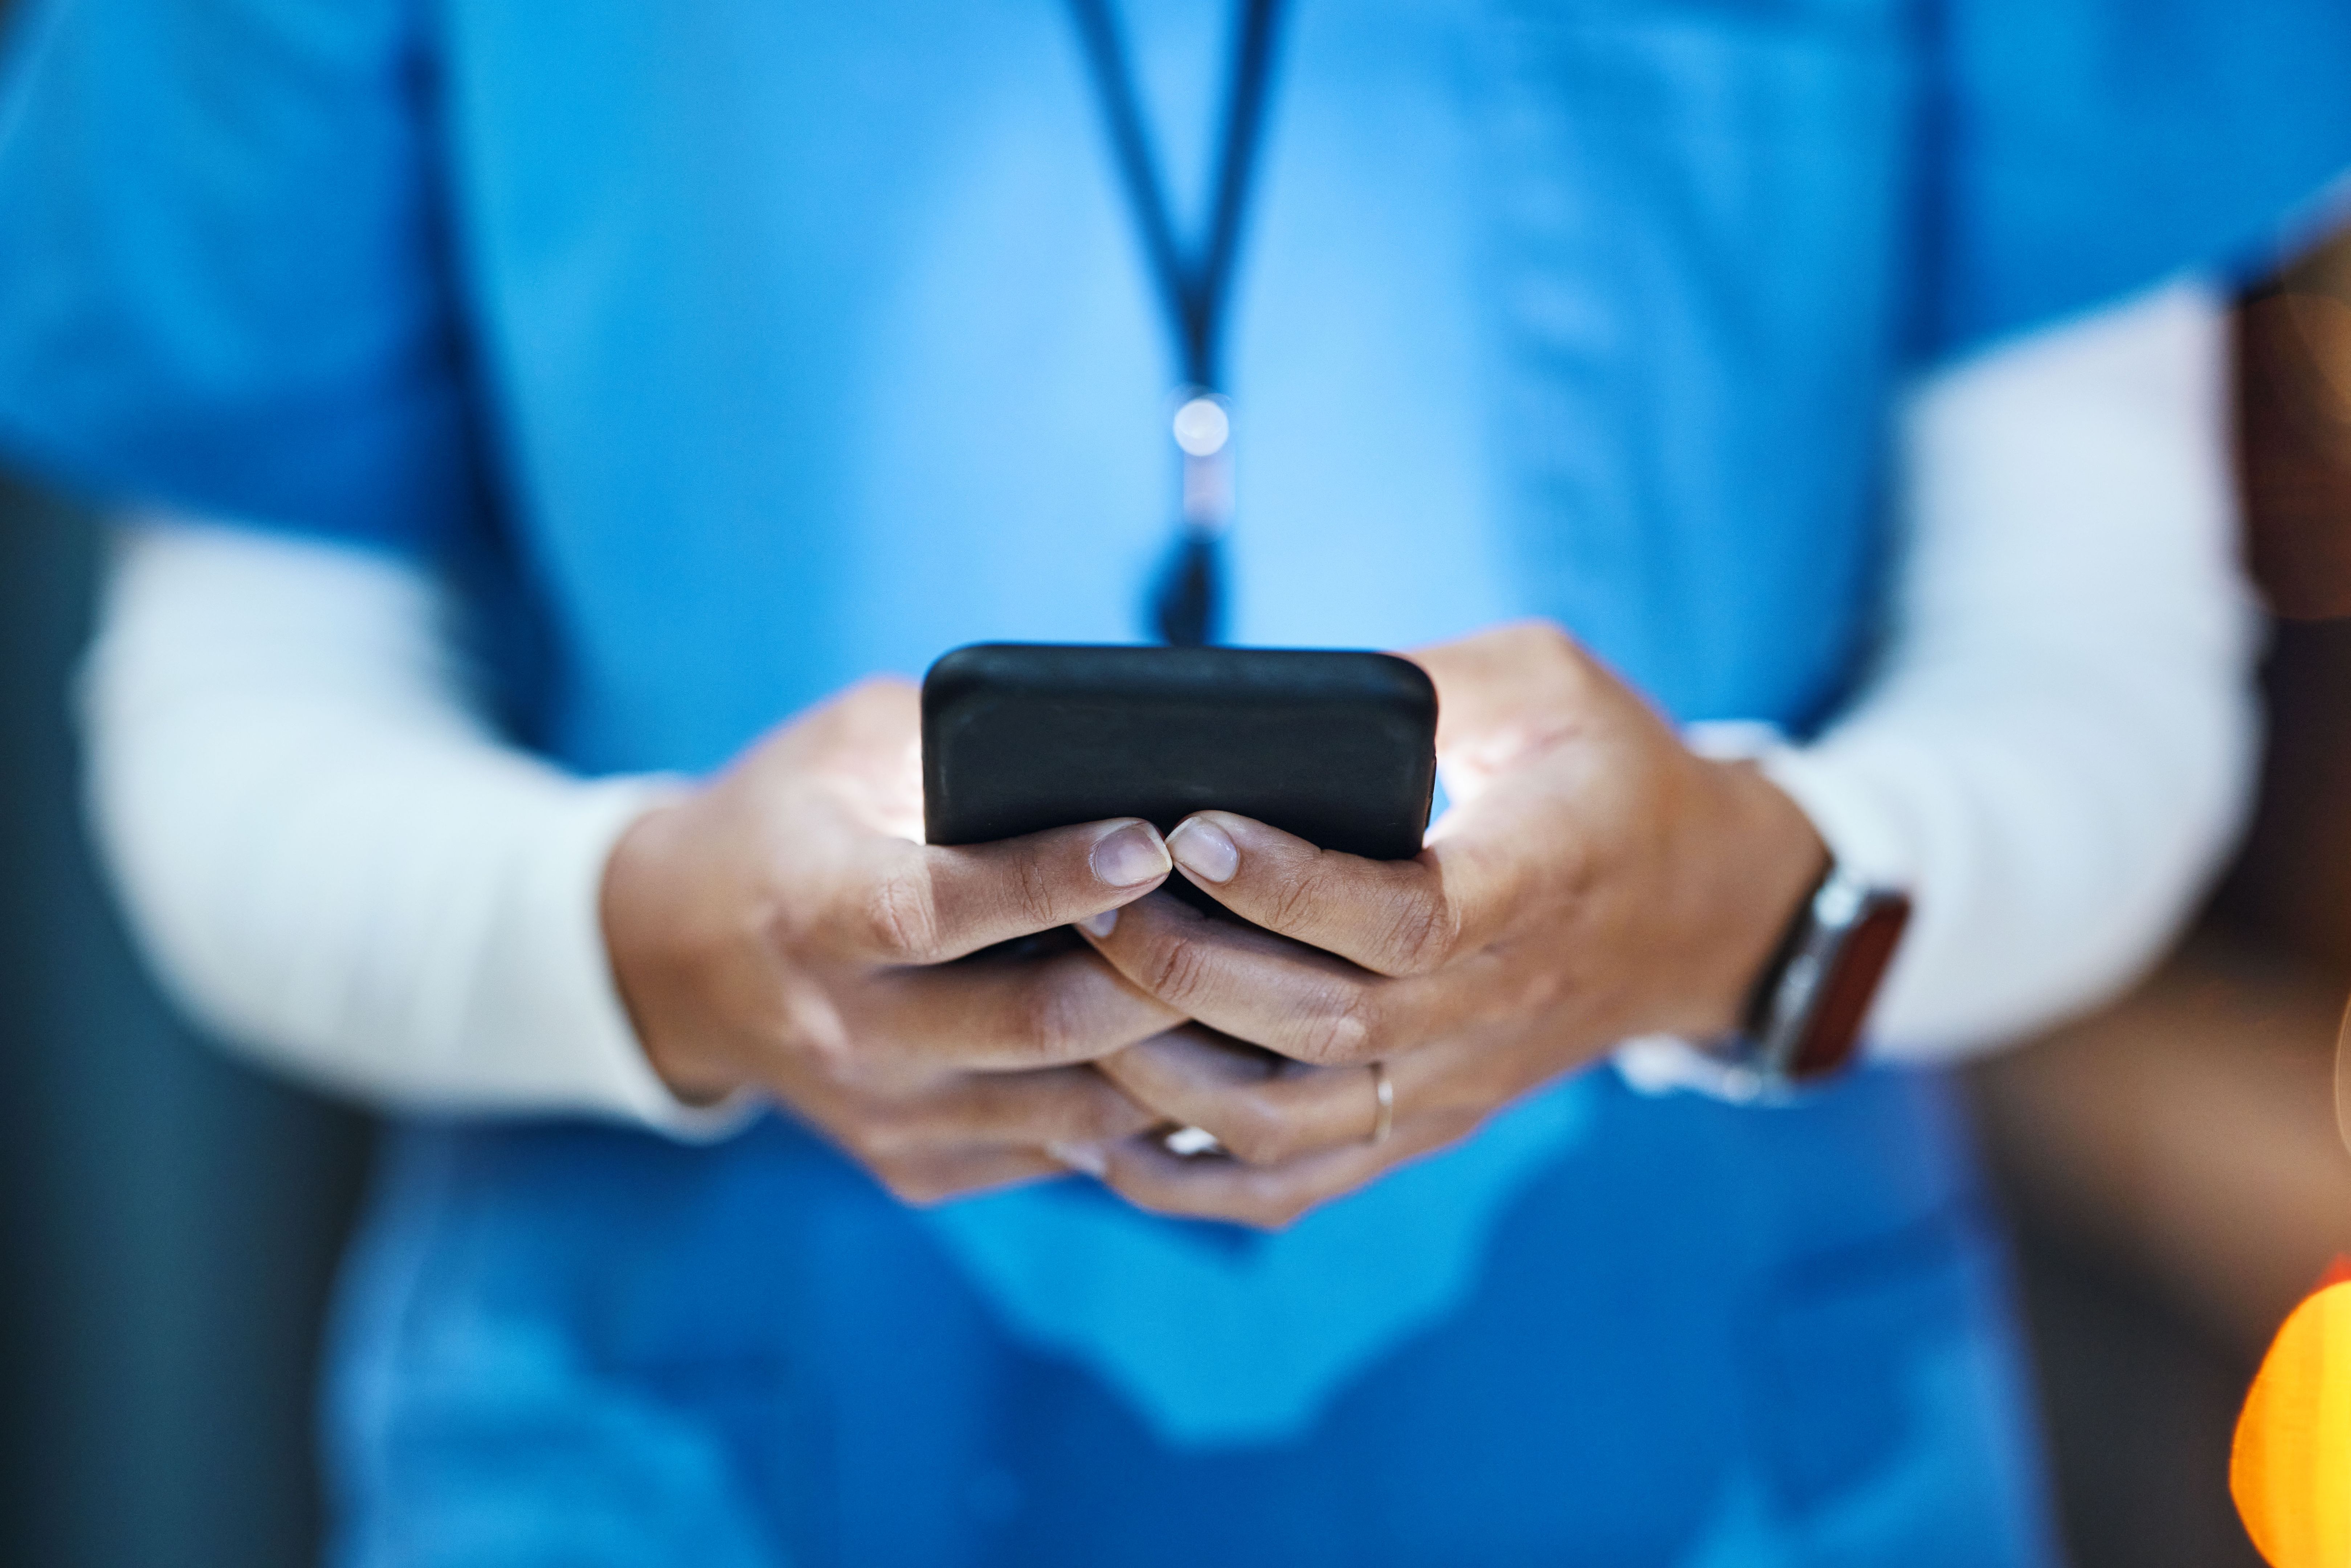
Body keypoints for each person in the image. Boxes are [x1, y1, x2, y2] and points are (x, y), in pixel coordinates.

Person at [1, 1, 2347, 1561]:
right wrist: (668, 946)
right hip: (701, 1459)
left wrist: (1722, 910)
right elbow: (240, 723)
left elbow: (2103, 695)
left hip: (1701, 1450)